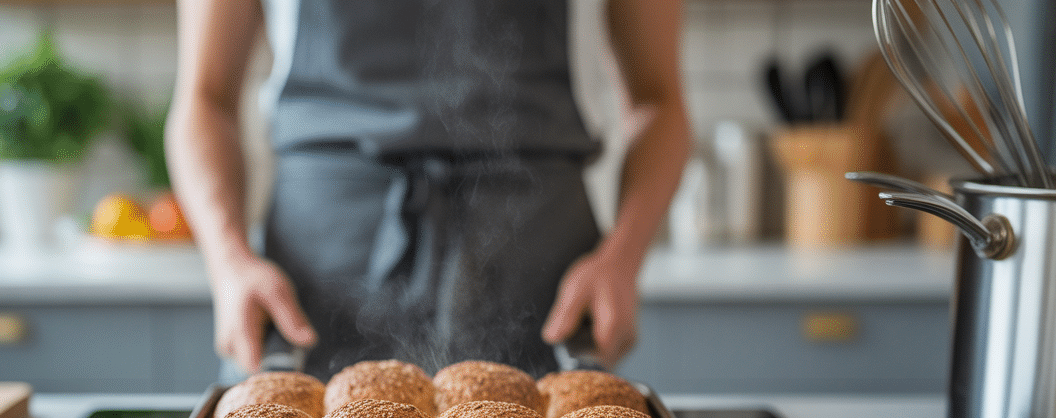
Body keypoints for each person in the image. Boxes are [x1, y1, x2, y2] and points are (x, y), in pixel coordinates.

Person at [166, 0, 690, 380]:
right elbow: (204, 100)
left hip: (537, 274)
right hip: (314, 284)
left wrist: (622, 259)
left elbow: (658, 101)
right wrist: (229, 261)